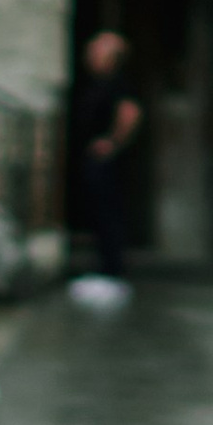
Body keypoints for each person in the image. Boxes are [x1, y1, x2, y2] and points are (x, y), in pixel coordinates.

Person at [69, 28, 142, 311]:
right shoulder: (97, 82)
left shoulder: (117, 83)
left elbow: (130, 113)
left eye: (96, 51)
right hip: (93, 157)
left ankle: (112, 271)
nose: (90, 57)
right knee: (98, 213)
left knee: (108, 212)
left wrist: (112, 143)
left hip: (105, 159)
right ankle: (105, 269)